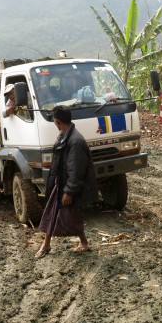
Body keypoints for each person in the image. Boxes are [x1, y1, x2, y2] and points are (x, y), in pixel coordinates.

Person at [35, 106, 97, 258]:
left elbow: (76, 170)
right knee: (53, 211)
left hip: (67, 186)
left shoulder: (75, 141)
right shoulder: (64, 136)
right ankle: (47, 243)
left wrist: (69, 191)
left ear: (57, 121)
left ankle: (81, 243)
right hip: (61, 183)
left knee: (71, 214)